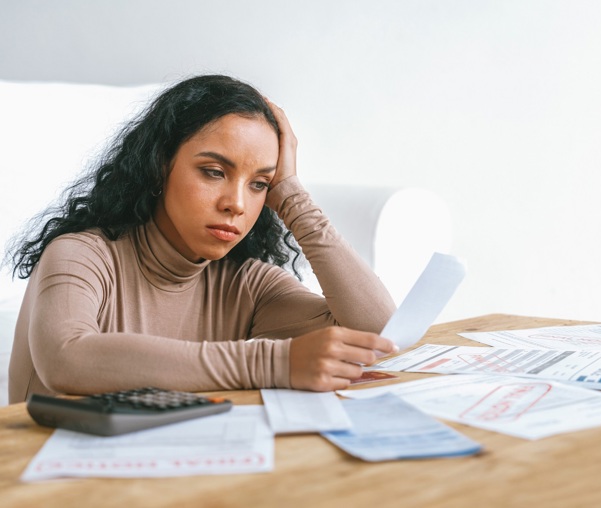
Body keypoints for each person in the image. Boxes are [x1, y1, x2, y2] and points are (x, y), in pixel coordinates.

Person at [6, 74, 397, 404]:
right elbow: (67, 359)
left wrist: (291, 194)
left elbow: (380, 332)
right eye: (213, 172)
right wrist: (275, 363)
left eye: (260, 183)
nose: (237, 204)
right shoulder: (80, 254)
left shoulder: (247, 283)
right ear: (160, 165)